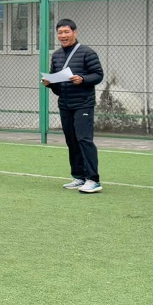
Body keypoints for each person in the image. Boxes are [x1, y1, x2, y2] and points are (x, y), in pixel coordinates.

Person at [43, 19, 104, 194]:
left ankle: (93, 180)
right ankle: (79, 177)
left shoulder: (87, 52)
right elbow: (57, 85)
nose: (63, 36)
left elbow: (98, 75)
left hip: (83, 104)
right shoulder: (56, 56)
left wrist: (82, 79)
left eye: (66, 32)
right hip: (65, 104)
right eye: (60, 32)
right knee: (71, 141)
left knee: (84, 139)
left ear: (75, 33)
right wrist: (49, 83)